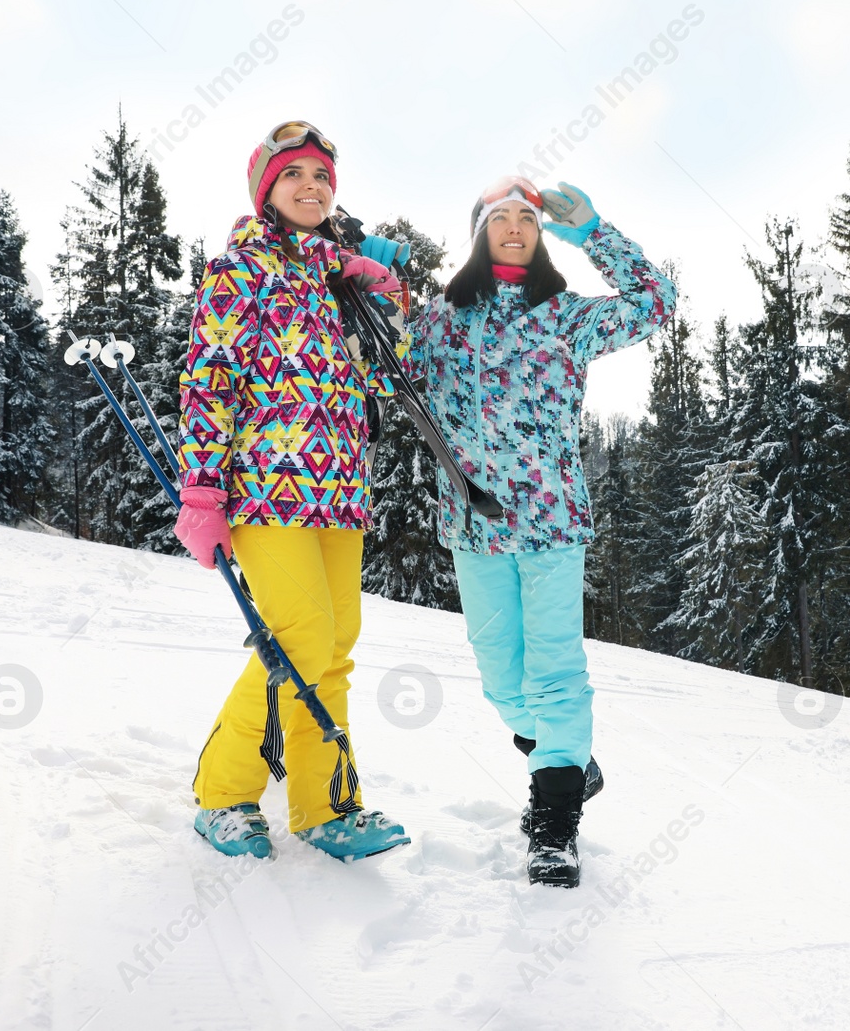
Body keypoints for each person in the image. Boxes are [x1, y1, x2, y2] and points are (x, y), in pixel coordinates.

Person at [405, 176, 676, 887]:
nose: (518, 225)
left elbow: (655, 303)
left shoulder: (564, 316)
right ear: (477, 233)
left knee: (554, 670)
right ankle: (567, 761)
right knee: (501, 679)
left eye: (529, 217)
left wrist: (593, 232)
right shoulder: (438, 321)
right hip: (475, 524)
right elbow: (375, 351)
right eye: (502, 217)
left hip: (553, 523)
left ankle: (554, 825)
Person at [173, 120, 412, 863]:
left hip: (340, 491)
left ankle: (324, 805)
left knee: (334, 645)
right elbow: (209, 381)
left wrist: (386, 294)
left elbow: (386, 376)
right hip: (268, 489)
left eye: (322, 178)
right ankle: (223, 789)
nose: (312, 188)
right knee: (298, 638)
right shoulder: (237, 270)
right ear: (266, 190)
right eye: (294, 176)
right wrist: (202, 492)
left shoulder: (341, 280)